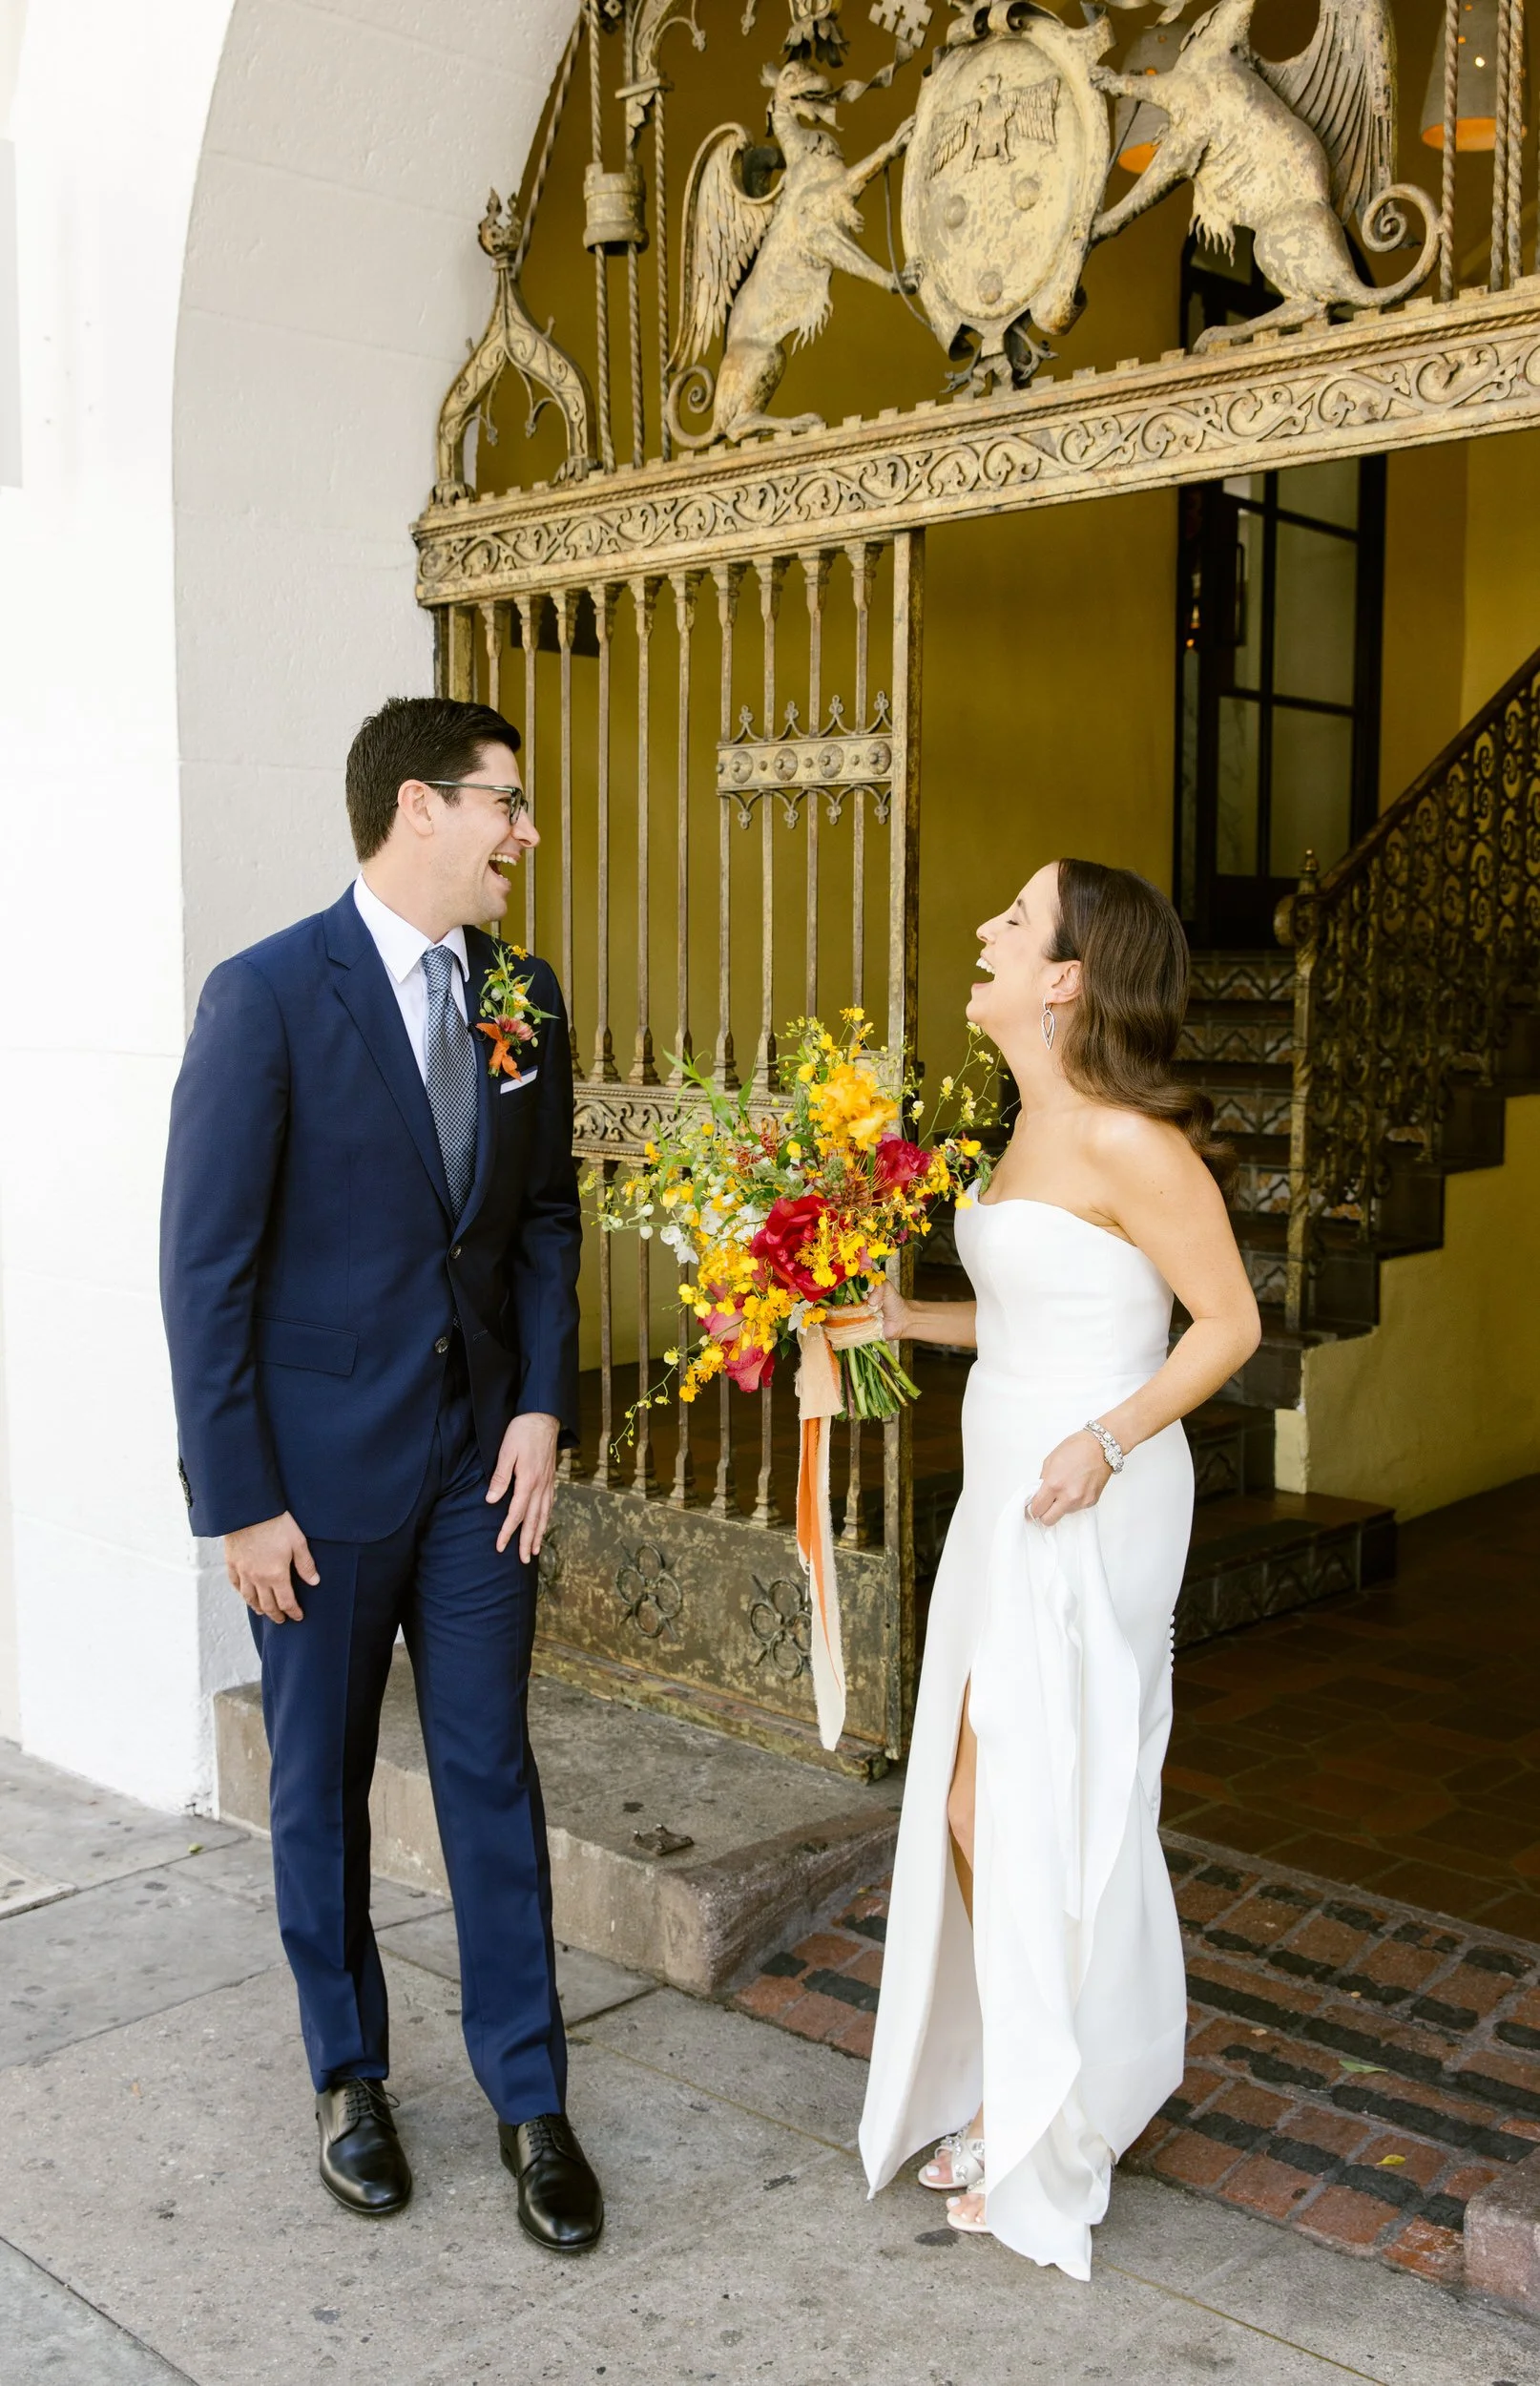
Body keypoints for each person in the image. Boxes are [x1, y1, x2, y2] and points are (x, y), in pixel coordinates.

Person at [160, 696, 601, 2250]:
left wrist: (540, 1407)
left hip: (482, 1474)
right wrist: (239, 1499)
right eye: (505, 802)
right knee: (321, 1788)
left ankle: (530, 2099)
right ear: (421, 805)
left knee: (491, 1775)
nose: (522, 833)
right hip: (317, 1491)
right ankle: (348, 2077)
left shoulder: (523, 996)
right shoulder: (269, 995)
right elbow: (205, 1269)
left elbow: (542, 1221)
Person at [858, 858, 1260, 2277]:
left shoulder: (1129, 1142)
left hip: (1093, 1498)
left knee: (1049, 1800)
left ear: (1069, 979)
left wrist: (1102, 1443)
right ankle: (1029, 2077)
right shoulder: (1022, 1127)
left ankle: (1062, 2110)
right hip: (1007, 1496)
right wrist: (906, 1319)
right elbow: (1046, 1312)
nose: (985, 931)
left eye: (1015, 921)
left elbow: (1225, 1325)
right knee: (980, 1801)